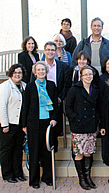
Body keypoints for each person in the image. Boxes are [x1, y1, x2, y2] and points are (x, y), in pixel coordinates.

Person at [22, 61, 58, 189]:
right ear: (35, 72)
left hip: (48, 123)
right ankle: (34, 180)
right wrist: (24, 125)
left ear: (46, 71)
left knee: (47, 152)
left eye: (43, 69)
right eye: (39, 70)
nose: (41, 72)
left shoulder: (51, 85)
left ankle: (48, 177)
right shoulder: (30, 87)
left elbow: (55, 104)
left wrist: (54, 119)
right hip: (33, 123)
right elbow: (25, 106)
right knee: (34, 152)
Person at [65, 66, 101, 190]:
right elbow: (68, 107)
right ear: (81, 76)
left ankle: (88, 177)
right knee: (79, 154)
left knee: (88, 153)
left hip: (91, 126)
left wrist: (96, 119)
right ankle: (82, 179)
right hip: (78, 126)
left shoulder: (95, 89)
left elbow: (98, 107)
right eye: (85, 74)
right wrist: (75, 118)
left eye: (90, 74)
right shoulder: (74, 89)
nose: (88, 77)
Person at [40, 41, 69, 151]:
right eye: (48, 50)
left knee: (56, 126)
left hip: (58, 100)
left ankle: (53, 147)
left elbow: (66, 85)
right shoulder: (39, 66)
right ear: (44, 51)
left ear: (56, 51)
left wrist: (60, 98)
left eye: (52, 50)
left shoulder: (63, 66)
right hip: (43, 102)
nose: (50, 52)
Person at [0, 64, 27, 183]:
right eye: (15, 72)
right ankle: (7, 174)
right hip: (9, 124)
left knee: (17, 149)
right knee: (6, 150)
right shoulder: (5, 86)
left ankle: (18, 173)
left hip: (20, 124)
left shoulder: (24, 86)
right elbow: (2, 106)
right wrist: (4, 124)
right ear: (11, 74)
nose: (17, 75)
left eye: (20, 73)